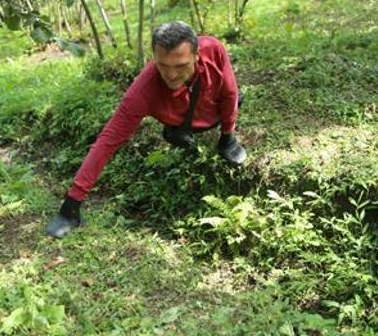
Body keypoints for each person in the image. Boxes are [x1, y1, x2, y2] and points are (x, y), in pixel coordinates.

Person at [46, 21, 246, 238]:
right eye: (163, 65)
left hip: (213, 114)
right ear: (153, 59)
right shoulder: (142, 91)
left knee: (234, 99)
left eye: (180, 66)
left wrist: (227, 136)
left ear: (196, 55)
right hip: (182, 123)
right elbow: (107, 142)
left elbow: (229, 92)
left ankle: (220, 135)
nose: (171, 74)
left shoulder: (213, 49)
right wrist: (71, 204)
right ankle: (177, 131)